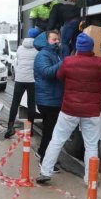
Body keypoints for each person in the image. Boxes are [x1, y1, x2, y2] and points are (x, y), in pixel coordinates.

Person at [36, 34, 101, 185]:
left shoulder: (68, 62)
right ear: (92, 47)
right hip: (91, 112)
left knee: (57, 140)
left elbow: (60, 76)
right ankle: (90, 179)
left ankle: (45, 171)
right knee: (91, 145)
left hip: (69, 110)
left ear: (77, 48)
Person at [33, 30, 64, 162]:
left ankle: (42, 152)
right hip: (47, 100)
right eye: (54, 39)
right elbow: (47, 72)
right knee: (49, 131)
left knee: (50, 130)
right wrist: (63, 63)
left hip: (52, 98)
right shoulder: (43, 55)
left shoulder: (54, 54)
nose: (57, 41)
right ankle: (44, 159)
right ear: (46, 41)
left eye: (58, 39)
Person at [5, 28, 40, 139]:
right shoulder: (37, 50)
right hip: (31, 81)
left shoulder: (20, 49)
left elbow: (18, 61)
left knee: (15, 103)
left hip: (19, 79)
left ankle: (9, 128)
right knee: (31, 105)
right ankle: (29, 130)